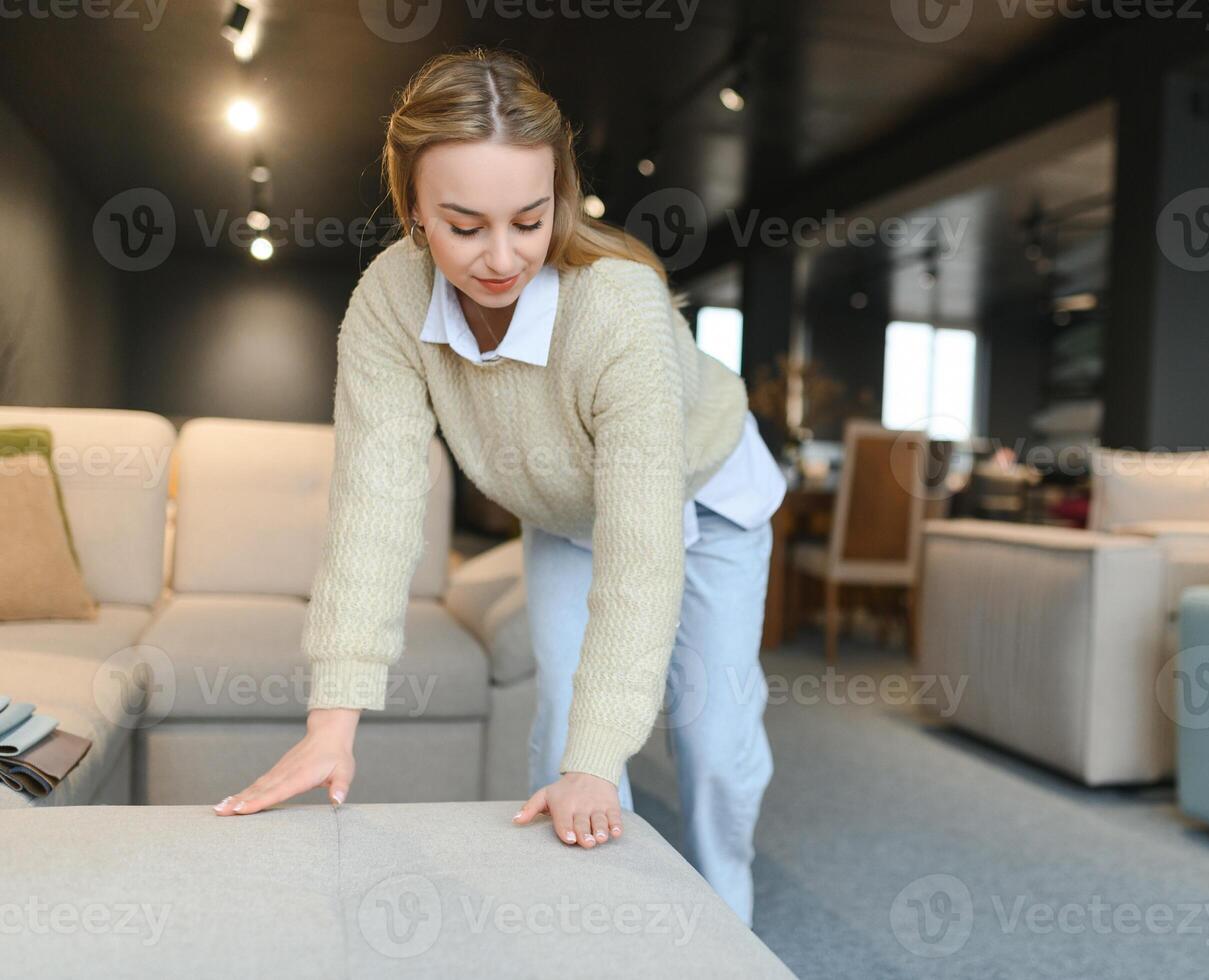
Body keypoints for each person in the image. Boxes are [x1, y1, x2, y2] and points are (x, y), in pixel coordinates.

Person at [210, 45, 787, 925]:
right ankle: (600, 935)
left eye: (529, 219)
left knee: (710, 744)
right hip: (562, 509)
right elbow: (376, 505)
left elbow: (640, 555)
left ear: (558, 193)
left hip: (701, 491)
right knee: (562, 734)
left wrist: (598, 761)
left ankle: (726, 929)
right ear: (413, 211)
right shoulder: (389, 304)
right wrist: (334, 716)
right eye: (464, 225)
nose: (501, 257)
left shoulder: (616, 308)